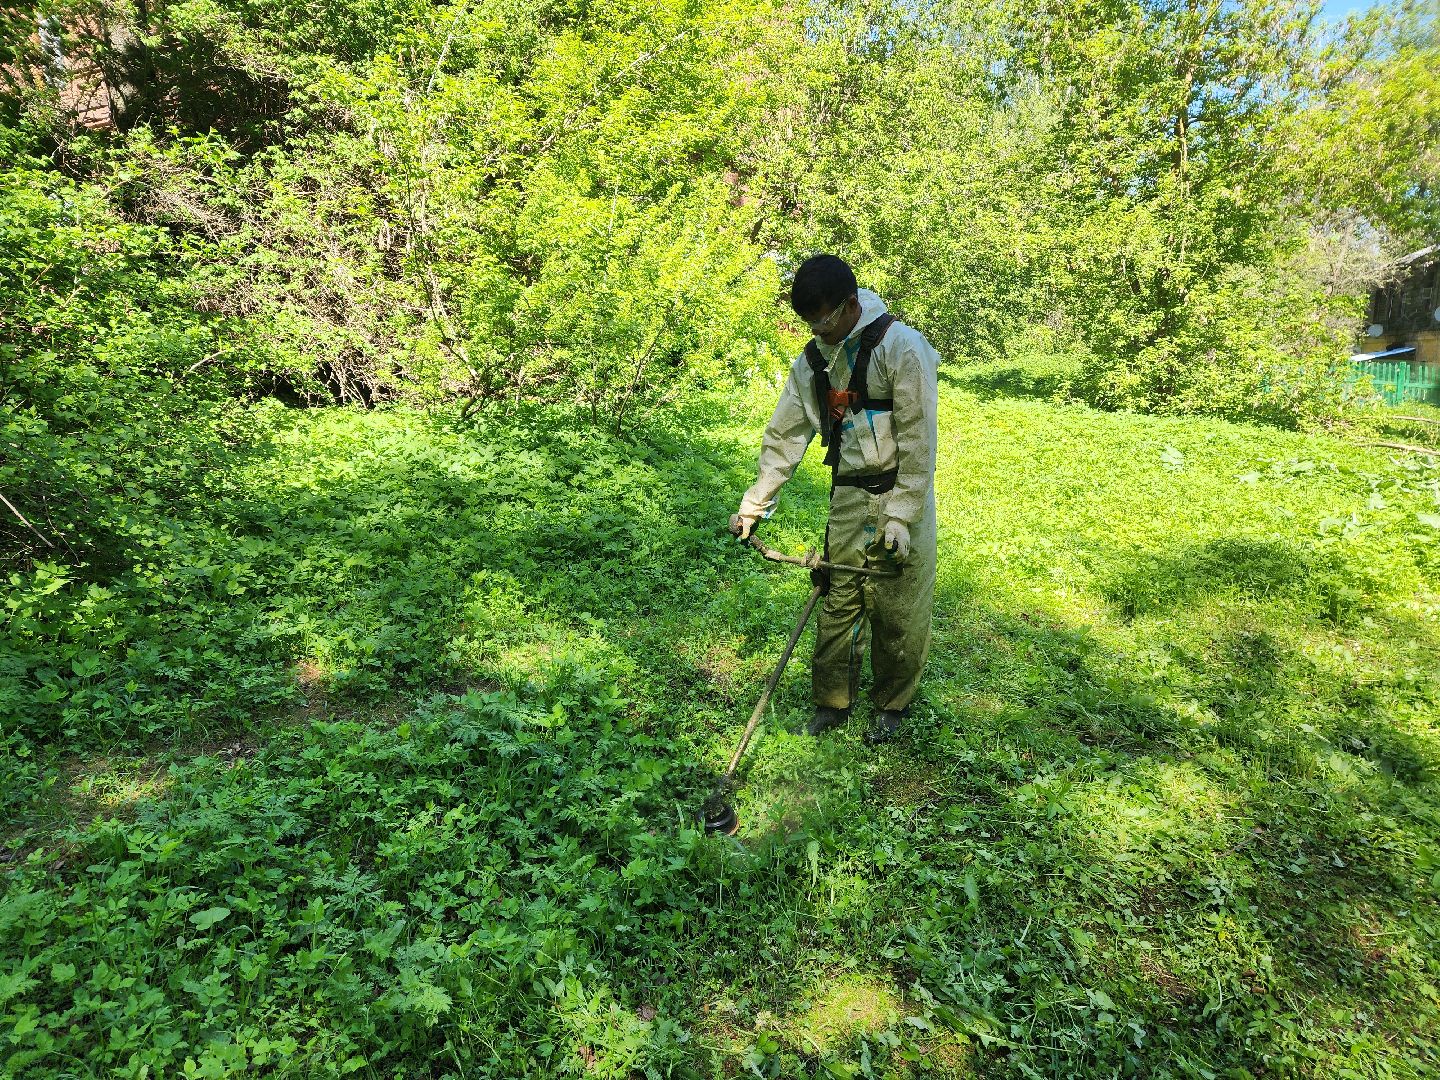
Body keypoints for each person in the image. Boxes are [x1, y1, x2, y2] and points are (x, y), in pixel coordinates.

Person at [730, 254, 939, 744]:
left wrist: (902, 516)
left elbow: (918, 440)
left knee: (900, 608)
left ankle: (891, 706)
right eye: (808, 322)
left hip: (902, 493)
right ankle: (832, 703)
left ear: (849, 305)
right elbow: (784, 438)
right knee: (838, 601)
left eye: (822, 320)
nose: (816, 331)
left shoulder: (901, 348)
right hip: (848, 495)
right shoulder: (811, 364)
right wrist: (753, 506)